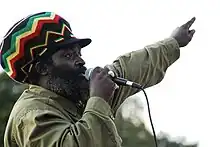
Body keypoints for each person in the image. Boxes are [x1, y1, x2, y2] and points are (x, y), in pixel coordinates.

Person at [1, 12, 195, 147]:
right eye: (68, 56)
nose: (80, 61)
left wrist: (173, 42)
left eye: (78, 53)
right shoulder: (31, 115)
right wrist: (99, 100)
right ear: (42, 68)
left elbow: (130, 67)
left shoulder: (79, 92)